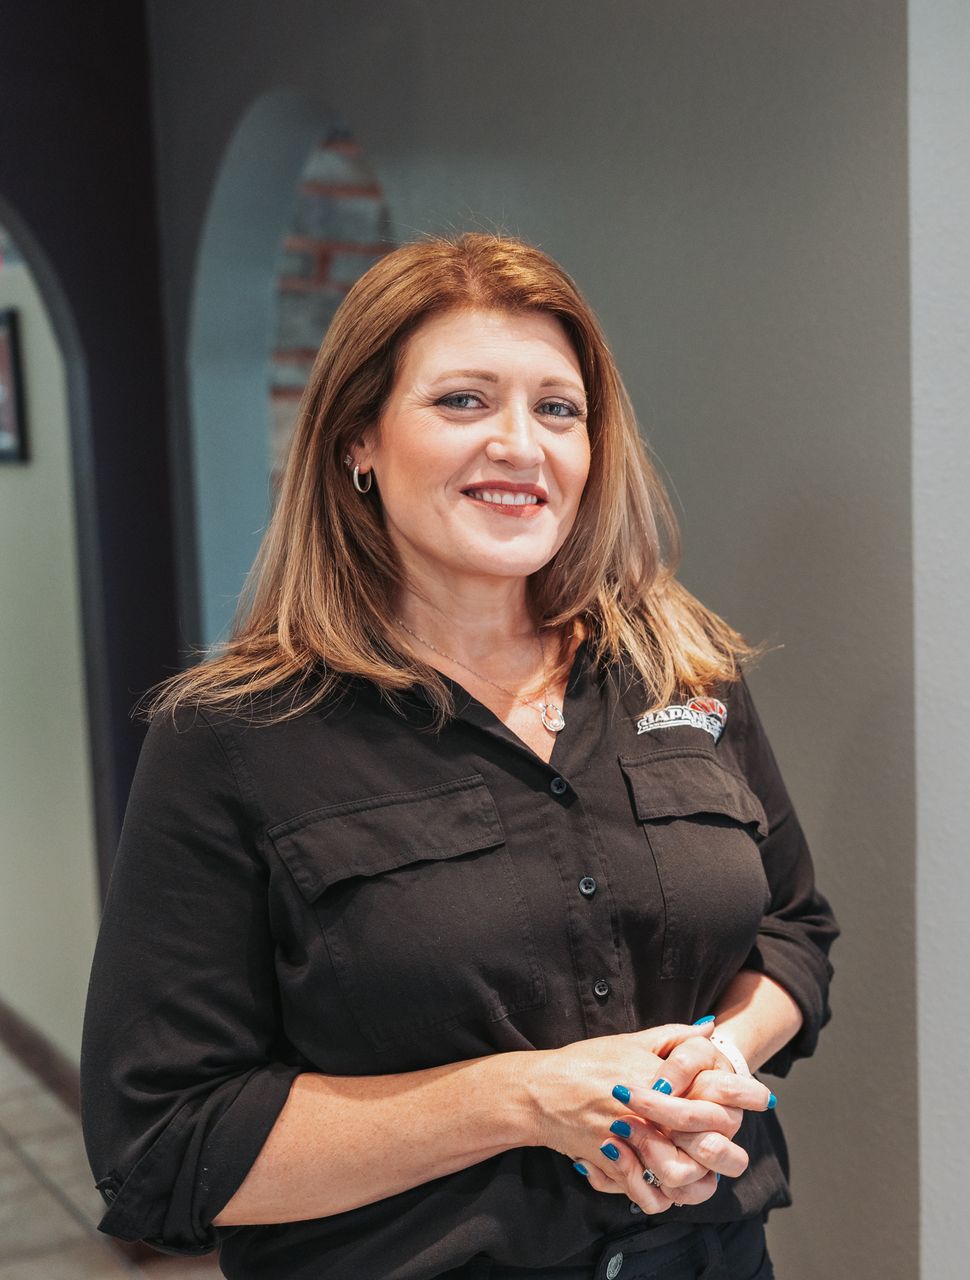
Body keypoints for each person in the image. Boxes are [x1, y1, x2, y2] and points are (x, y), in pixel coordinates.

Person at [78, 232, 839, 1280]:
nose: (521, 446)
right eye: (463, 401)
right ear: (358, 440)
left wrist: (714, 1058)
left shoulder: (682, 667)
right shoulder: (234, 736)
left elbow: (795, 929)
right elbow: (162, 1143)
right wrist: (522, 1100)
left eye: (557, 408)